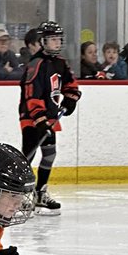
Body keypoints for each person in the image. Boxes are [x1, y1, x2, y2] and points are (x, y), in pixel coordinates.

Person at [18, 21, 81, 216]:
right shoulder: (36, 64)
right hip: (31, 118)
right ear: (43, 41)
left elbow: (70, 84)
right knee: (27, 156)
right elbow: (31, 93)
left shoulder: (60, 62)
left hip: (50, 117)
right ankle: (19, 196)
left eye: (58, 39)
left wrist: (71, 98)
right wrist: (39, 119)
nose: (57, 43)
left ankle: (40, 193)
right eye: (53, 39)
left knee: (49, 154)